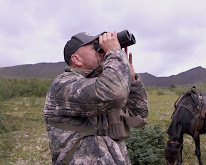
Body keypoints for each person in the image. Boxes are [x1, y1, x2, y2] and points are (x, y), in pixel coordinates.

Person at [44, 31, 149, 165]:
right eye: (96, 47)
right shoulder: (63, 85)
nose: (102, 50)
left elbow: (139, 114)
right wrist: (115, 53)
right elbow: (113, 94)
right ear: (77, 59)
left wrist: (132, 78)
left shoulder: (102, 84)